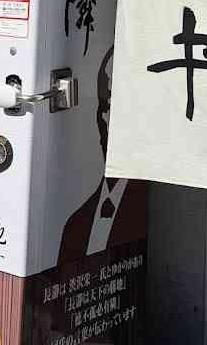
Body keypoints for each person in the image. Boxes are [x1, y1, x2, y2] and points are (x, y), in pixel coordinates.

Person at [58, 48, 144, 263]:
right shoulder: (75, 225)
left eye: (119, 106)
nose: (107, 119)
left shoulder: (152, 208)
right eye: (104, 105)